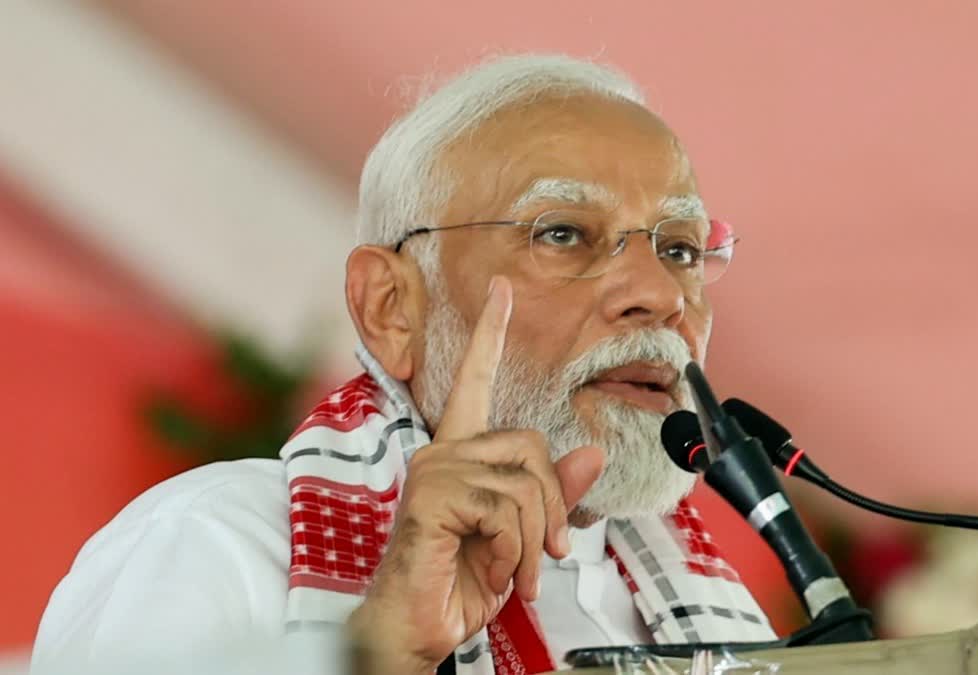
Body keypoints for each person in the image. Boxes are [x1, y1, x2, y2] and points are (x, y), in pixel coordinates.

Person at [32, 54, 773, 674]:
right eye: (562, 233)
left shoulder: (725, 619)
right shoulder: (219, 543)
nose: (658, 294)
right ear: (391, 306)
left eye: (679, 248)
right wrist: (378, 653)